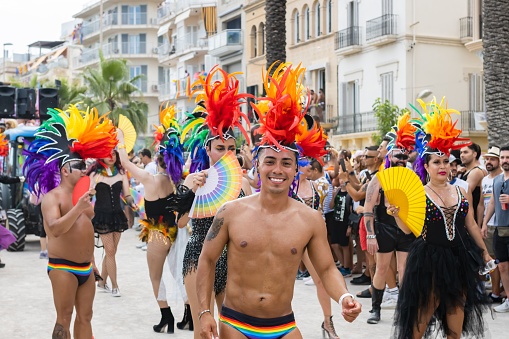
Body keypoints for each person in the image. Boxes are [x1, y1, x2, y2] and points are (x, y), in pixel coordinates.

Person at [195, 62, 361, 338]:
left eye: (286, 163)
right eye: (269, 161)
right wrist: (204, 312)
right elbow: (207, 259)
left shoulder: (309, 219)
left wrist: (344, 297)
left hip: (283, 325)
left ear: (296, 169)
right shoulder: (230, 212)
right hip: (235, 323)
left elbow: (327, 267)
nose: (277, 170)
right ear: (257, 166)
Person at [394, 98, 491, 339]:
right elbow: (407, 229)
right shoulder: (418, 193)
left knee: (455, 323)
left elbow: (470, 224)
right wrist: (398, 213)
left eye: (446, 161)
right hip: (428, 259)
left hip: (459, 258)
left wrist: (485, 252)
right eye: (436, 162)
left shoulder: (461, 190)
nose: (443, 166)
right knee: (420, 322)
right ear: (426, 166)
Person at [23, 105, 118, 338]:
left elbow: (86, 230)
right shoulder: (52, 197)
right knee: (63, 318)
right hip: (62, 267)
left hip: (86, 268)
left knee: (86, 317)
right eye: (79, 166)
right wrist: (78, 208)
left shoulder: (82, 195)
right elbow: (55, 229)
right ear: (65, 169)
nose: (85, 169)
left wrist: (93, 261)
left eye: (85, 165)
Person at [174, 66, 253, 339]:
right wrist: (188, 191)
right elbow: (181, 222)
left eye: (231, 148)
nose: (226, 153)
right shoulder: (194, 181)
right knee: (203, 331)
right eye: (220, 148)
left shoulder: (242, 183)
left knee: (232, 330)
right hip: (198, 257)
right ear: (208, 149)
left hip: (231, 260)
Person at [117, 103, 183, 332]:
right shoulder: (177, 182)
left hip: (157, 233)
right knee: (179, 274)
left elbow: (124, 162)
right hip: (176, 231)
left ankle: (167, 317)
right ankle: (188, 315)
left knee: (156, 277)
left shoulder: (150, 179)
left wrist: (120, 140)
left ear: (158, 157)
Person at [88, 150, 131, 297]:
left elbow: (127, 194)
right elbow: (87, 193)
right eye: (107, 154)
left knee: (111, 252)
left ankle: (102, 282)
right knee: (110, 251)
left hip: (118, 216)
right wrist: (90, 192)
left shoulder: (121, 172)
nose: (111, 157)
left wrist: (134, 203)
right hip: (102, 216)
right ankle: (115, 286)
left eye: (113, 154)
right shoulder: (94, 174)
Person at [482, 145, 509, 312]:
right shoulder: (497, 180)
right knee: (502, 266)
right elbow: (492, 202)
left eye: (508, 158)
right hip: (500, 228)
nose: (506, 161)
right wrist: (484, 223)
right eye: (504, 157)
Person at [459, 143, 487, 220]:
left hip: (473, 217)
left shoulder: (476, 171)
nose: (462, 155)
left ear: (474, 154)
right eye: (461, 152)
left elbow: (463, 193)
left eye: (465, 152)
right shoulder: (465, 171)